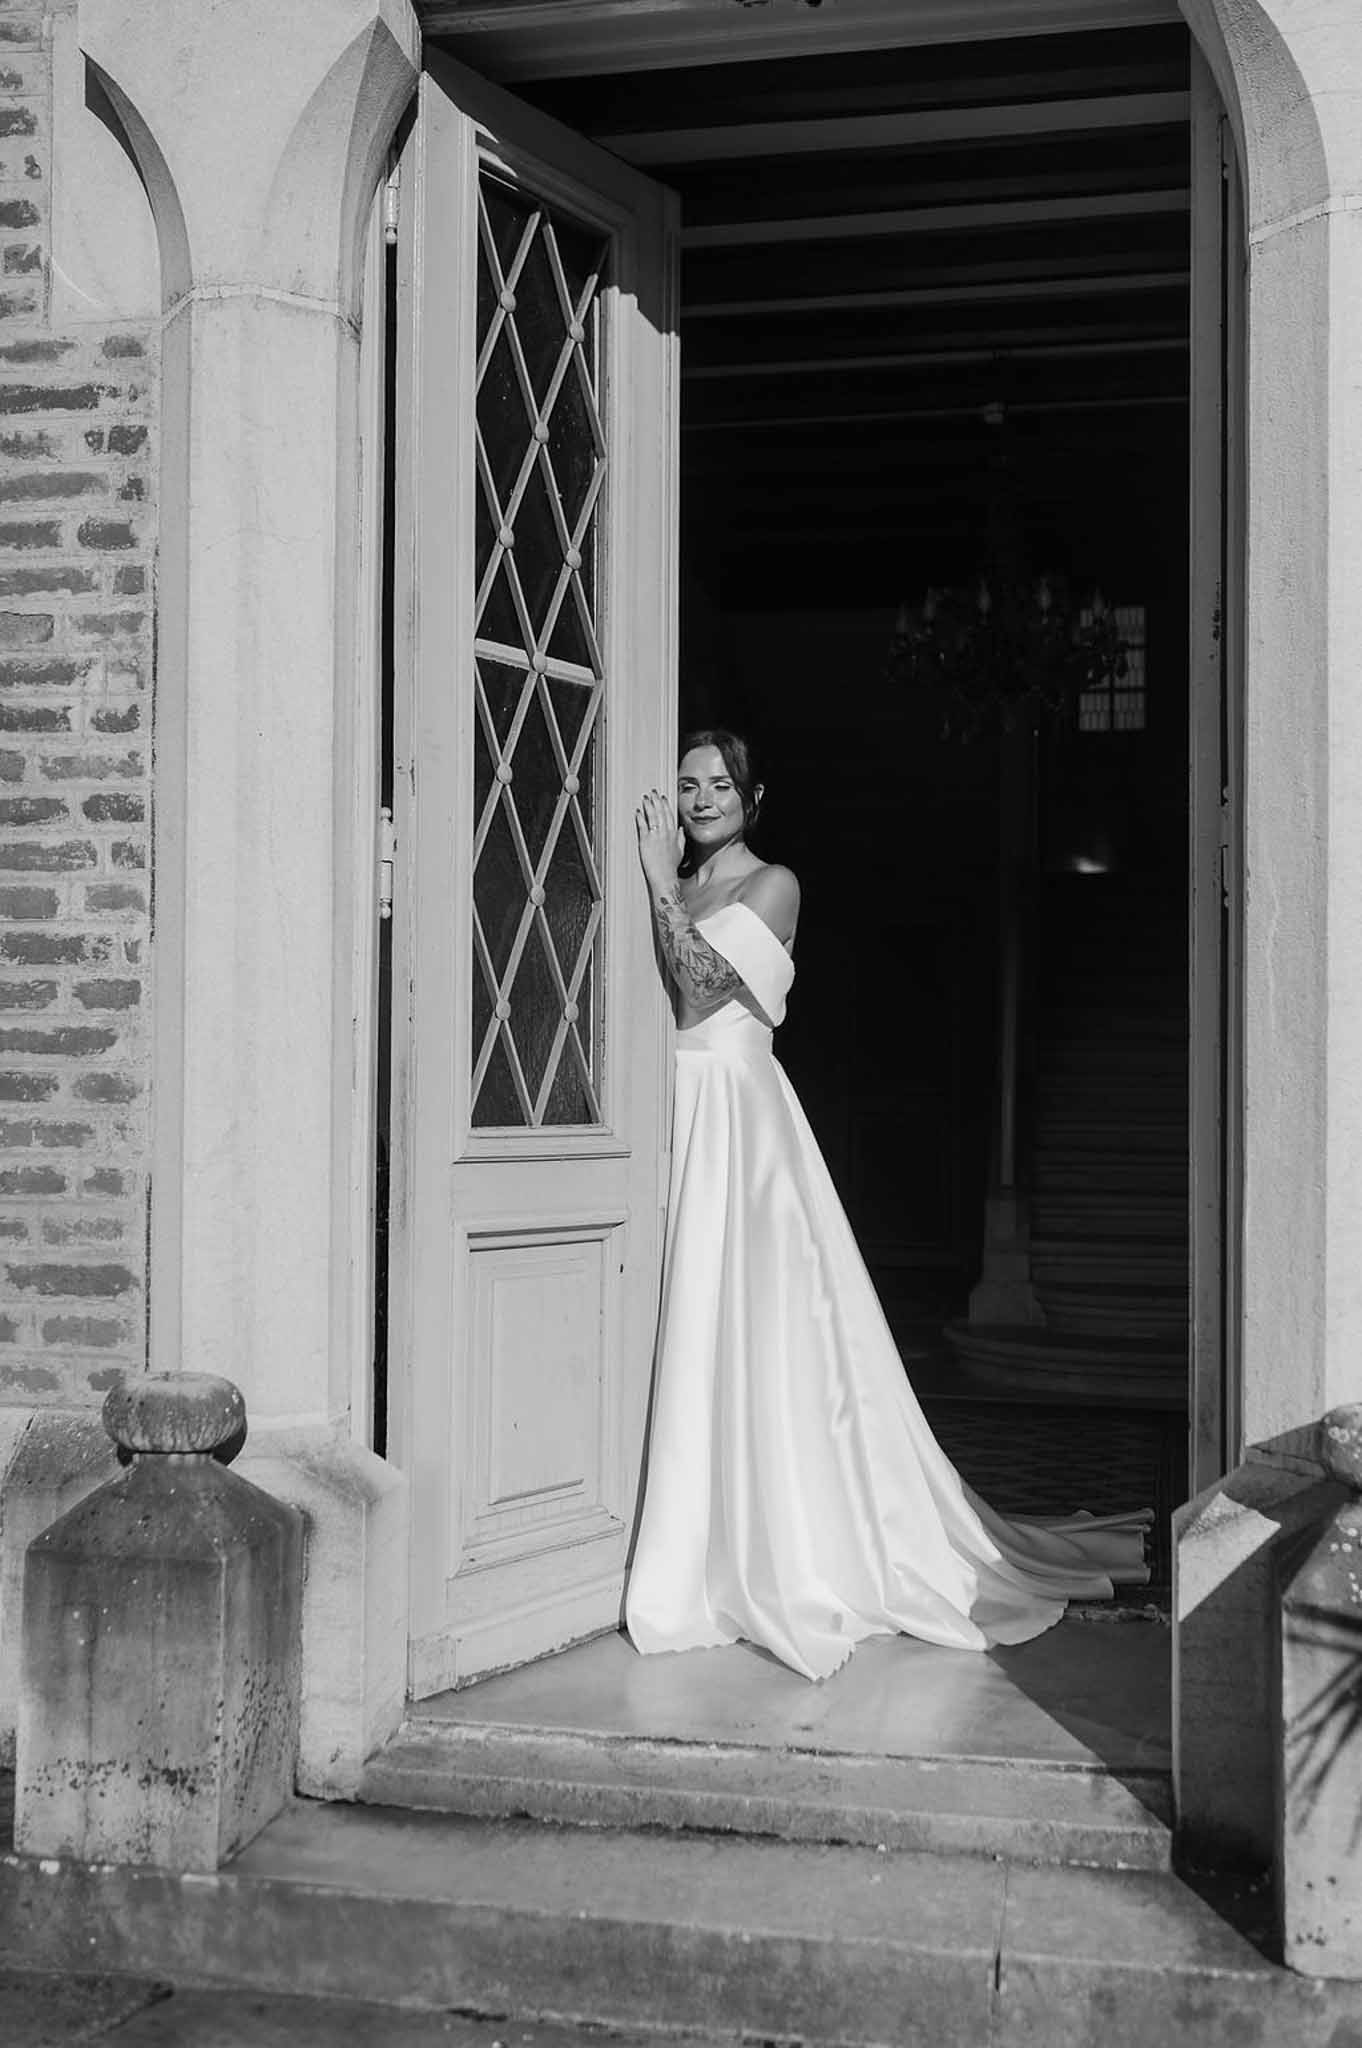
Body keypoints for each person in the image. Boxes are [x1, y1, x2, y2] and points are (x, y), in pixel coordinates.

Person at [625, 727, 1150, 1682]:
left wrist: (658, 879)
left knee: (753, 1328)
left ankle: (787, 1544)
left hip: (736, 1124)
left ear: (751, 794)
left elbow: (699, 991)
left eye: (718, 784)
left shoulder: (769, 884)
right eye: (686, 785)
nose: (700, 799)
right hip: (668, 1111)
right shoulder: (684, 882)